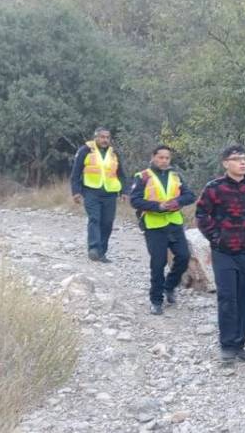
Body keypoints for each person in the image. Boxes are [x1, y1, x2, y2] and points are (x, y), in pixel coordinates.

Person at [195, 144, 245, 364]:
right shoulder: (214, 188)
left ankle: (240, 344)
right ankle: (227, 345)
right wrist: (216, 238)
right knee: (228, 298)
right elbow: (201, 215)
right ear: (225, 163)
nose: (243, 163)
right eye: (237, 159)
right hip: (224, 252)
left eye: (244, 158)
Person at [128, 145, 197, 316]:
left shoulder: (176, 175)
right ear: (153, 157)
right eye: (161, 157)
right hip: (154, 226)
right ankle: (156, 300)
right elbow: (135, 201)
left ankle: (169, 286)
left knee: (183, 257)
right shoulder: (142, 176)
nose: (164, 161)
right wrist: (158, 206)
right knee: (158, 263)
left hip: (174, 223)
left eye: (167, 158)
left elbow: (190, 196)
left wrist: (177, 202)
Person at [70, 127, 126, 262]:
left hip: (110, 193)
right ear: (95, 138)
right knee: (95, 219)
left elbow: (121, 174)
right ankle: (94, 249)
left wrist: (124, 191)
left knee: (107, 223)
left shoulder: (114, 153)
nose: (105, 140)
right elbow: (76, 172)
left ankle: (102, 252)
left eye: (107, 137)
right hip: (91, 191)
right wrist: (76, 192)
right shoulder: (85, 150)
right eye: (102, 137)